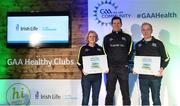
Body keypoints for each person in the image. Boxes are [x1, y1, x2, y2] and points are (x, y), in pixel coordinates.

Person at [134, 22, 170, 105]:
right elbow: (136, 59)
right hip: (143, 77)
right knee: (144, 99)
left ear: (152, 30)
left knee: (156, 99)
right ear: (141, 31)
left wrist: (162, 68)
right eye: (143, 30)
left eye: (148, 29)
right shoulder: (138, 45)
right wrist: (135, 68)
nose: (145, 32)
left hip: (155, 77)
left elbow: (167, 58)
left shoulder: (159, 43)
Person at [103, 16, 133, 105]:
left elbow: (130, 51)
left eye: (118, 23)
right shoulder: (107, 38)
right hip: (111, 69)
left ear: (121, 24)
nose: (116, 25)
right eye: (114, 23)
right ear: (111, 25)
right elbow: (104, 52)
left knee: (125, 93)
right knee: (109, 93)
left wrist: (124, 62)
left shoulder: (127, 37)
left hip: (123, 69)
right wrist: (107, 65)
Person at [77, 30, 104, 105]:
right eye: (90, 36)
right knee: (86, 97)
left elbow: (104, 61)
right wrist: (82, 70)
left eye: (94, 36)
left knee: (95, 98)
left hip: (97, 77)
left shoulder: (100, 49)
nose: (92, 38)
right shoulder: (83, 48)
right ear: (87, 38)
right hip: (86, 77)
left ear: (96, 38)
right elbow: (78, 62)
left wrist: (105, 68)